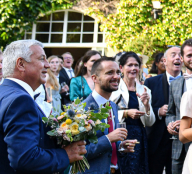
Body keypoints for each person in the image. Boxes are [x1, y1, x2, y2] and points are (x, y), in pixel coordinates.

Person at [0, 39, 87, 174]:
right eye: (42, 59)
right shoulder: (21, 100)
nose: (47, 65)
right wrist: (66, 155)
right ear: (21, 64)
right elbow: (25, 158)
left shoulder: (5, 92)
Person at [83, 57, 137, 173]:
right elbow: (80, 152)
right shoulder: (83, 109)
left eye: (118, 72)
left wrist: (121, 146)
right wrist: (108, 139)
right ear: (95, 78)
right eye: (109, 73)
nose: (116, 77)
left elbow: (110, 144)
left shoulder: (112, 106)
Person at [112, 52, 156, 174]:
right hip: (120, 134)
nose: (133, 68)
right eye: (129, 65)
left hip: (139, 136)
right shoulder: (114, 89)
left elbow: (150, 122)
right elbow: (108, 113)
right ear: (121, 68)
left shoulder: (145, 90)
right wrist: (126, 113)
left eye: (136, 65)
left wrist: (147, 105)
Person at [145, 46, 182, 174]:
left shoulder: (190, 83)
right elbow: (146, 109)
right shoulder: (150, 82)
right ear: (164, 61)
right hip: (157, 140)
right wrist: (158, 111)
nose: (178, 57)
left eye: (180, 55)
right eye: (173, 55)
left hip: (181, 140)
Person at [167, 39, 192, 174]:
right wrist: (170, 123)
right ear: (182, 58)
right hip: (178, 148)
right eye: (189, 55)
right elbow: (170, 112)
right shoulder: (175, 84)